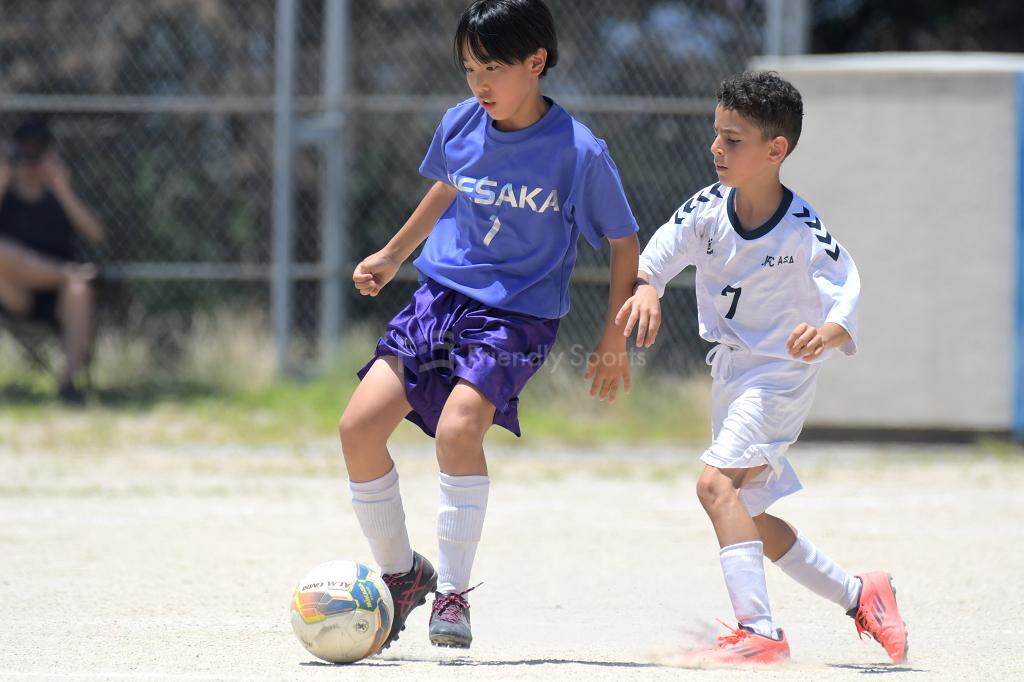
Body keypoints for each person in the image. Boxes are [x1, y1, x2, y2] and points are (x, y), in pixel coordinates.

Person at [338, 0, 640, 652]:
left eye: (493, 68)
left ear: (536, 62)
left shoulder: (579, 151)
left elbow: (623, 241)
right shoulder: (460, 122)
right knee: (357, 428)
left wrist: (613, 339)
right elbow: (447, 187)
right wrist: (393, 255)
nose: (479, 83)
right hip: (439, 298)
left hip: (516, 316)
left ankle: (452, 592)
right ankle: (403, 575)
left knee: (458, 429)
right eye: (470, 68)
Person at [617, 71, 908, 665]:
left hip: (780, 375)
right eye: (716, 134)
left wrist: (825, 334)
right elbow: (657, 257)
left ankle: (761, 632)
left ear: (776, 149)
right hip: (731, 372)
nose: (716, 149)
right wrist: (647, 287)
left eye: (733, 140)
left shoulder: (802, 228)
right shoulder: (706, 209)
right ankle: (862, 594)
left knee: (714, 486)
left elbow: (845, 293)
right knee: (746, 513)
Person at [0, 116, 105, 404]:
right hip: (15, 294)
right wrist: (3, 179)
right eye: (25, 153)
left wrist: (62, 189)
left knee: (80, 290)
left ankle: (68, 383)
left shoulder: (59, 195)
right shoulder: (6, 194)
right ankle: (69, 272)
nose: (31, 162)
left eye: (38, 152)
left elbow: (96, 234)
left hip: (57, 297)